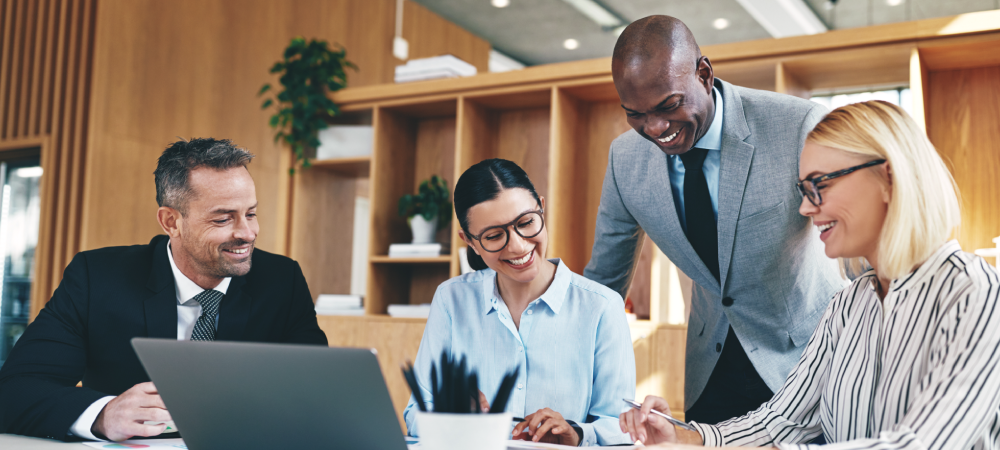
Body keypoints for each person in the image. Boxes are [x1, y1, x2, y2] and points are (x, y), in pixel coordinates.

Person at [619, 100, 1000, 449]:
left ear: (888, 177)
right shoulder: (848, 306)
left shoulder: (974, 294)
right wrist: (687, 437)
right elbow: (779, 424)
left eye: (820, 184)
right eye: (803, 189)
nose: (804, 207)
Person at [583, 15, 843, 423]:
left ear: (704, 74)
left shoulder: (796, 126)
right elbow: (603, 282)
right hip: (711, 370)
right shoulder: (625, 158)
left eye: (669, 105)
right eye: (635, 114)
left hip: (808, 363)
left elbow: (858, 241)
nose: (655, 128)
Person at [0, 138, 328, 442]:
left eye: (251, 214)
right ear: (171, 222)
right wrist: (103, 414)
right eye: (222, 219)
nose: (247, 233)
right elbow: (15, 392)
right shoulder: (97, 278)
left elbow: (318, 394)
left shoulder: (282, 280)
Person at [403, 159, 635, 446]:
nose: (518, 246)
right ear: (470, 241)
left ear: (541, 206)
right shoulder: (452, 300)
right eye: (494, 235)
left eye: (526, 223)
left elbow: (620, 429)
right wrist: (449, 418)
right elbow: (416, 413)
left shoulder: (601, 307)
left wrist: (575, 434)